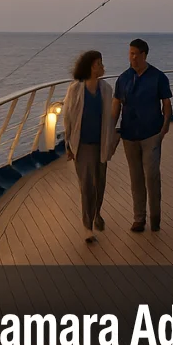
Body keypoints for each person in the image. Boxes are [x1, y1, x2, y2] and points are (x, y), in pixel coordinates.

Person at [113, 38, 172, 232]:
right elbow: (116, 107)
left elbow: (166, 105)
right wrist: (110, 131)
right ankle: (139, 218)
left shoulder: (158, 77)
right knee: (136, 178)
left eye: (136, 54)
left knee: (152, 176)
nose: (132, 57)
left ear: (144, 55)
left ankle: (155, 217)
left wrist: (163, 130)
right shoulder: (123, 79)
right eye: (130, 53)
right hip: (129, 135)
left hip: (151, 134)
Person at [62, 51, 118, 244]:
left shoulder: (106, 89)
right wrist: (68, 146)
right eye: (99, 63)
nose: (102, 66)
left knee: (99, 184)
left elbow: (110, 119)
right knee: (86, 185)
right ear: (90, 67)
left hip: (100, 143)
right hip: (82, 144)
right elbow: (67, 118)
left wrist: (112, 141)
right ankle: (87, 226)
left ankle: (97, 214)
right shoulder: (75, 90)